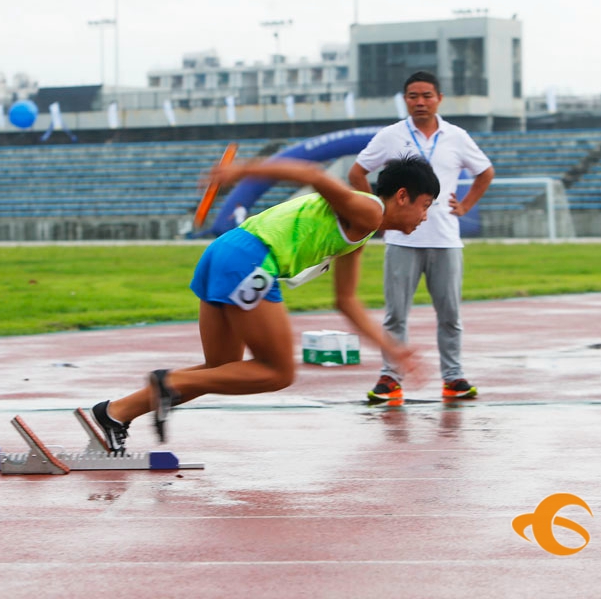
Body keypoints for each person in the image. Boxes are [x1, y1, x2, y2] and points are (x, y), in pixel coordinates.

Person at [91, 155, 440, 452]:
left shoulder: (361, 230)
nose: (425, 217)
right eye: (425, 206)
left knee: (222, 367)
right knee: (277, 372)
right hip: (251, 260)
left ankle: (115, 412)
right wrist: (241, 172)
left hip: (224, 251)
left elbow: (345, 300)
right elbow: (313, 175)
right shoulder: (367, 209)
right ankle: (167, 382)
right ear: (402, 196)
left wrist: (391, 347)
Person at [348, 71, 495, 405]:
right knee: (395, 315)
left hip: (445, 238)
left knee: (450, 315)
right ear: (405, 100)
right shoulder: (391, 136)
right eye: (413, 96)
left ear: (439, 98)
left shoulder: (456, 136)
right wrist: (377, 213)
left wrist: (466, 204)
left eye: (427, 95)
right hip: (401, 240)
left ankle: (453, 377)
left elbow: (485, 171)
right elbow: (357, 172)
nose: (420, 102)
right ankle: (391, 377)